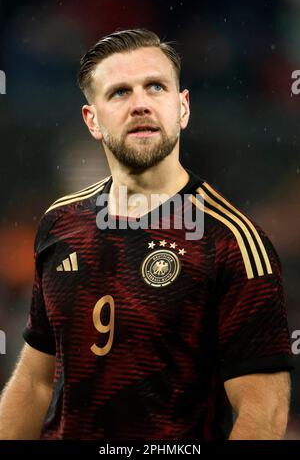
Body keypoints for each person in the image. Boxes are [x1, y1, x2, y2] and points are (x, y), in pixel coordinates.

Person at [0, 28, 293, 440]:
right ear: (92, 120)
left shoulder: (233, 244)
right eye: (119, 92)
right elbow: (35, 381)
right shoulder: (60, 223)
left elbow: (265, 412)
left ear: (183, 108)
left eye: (155, 87)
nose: (140, 104)